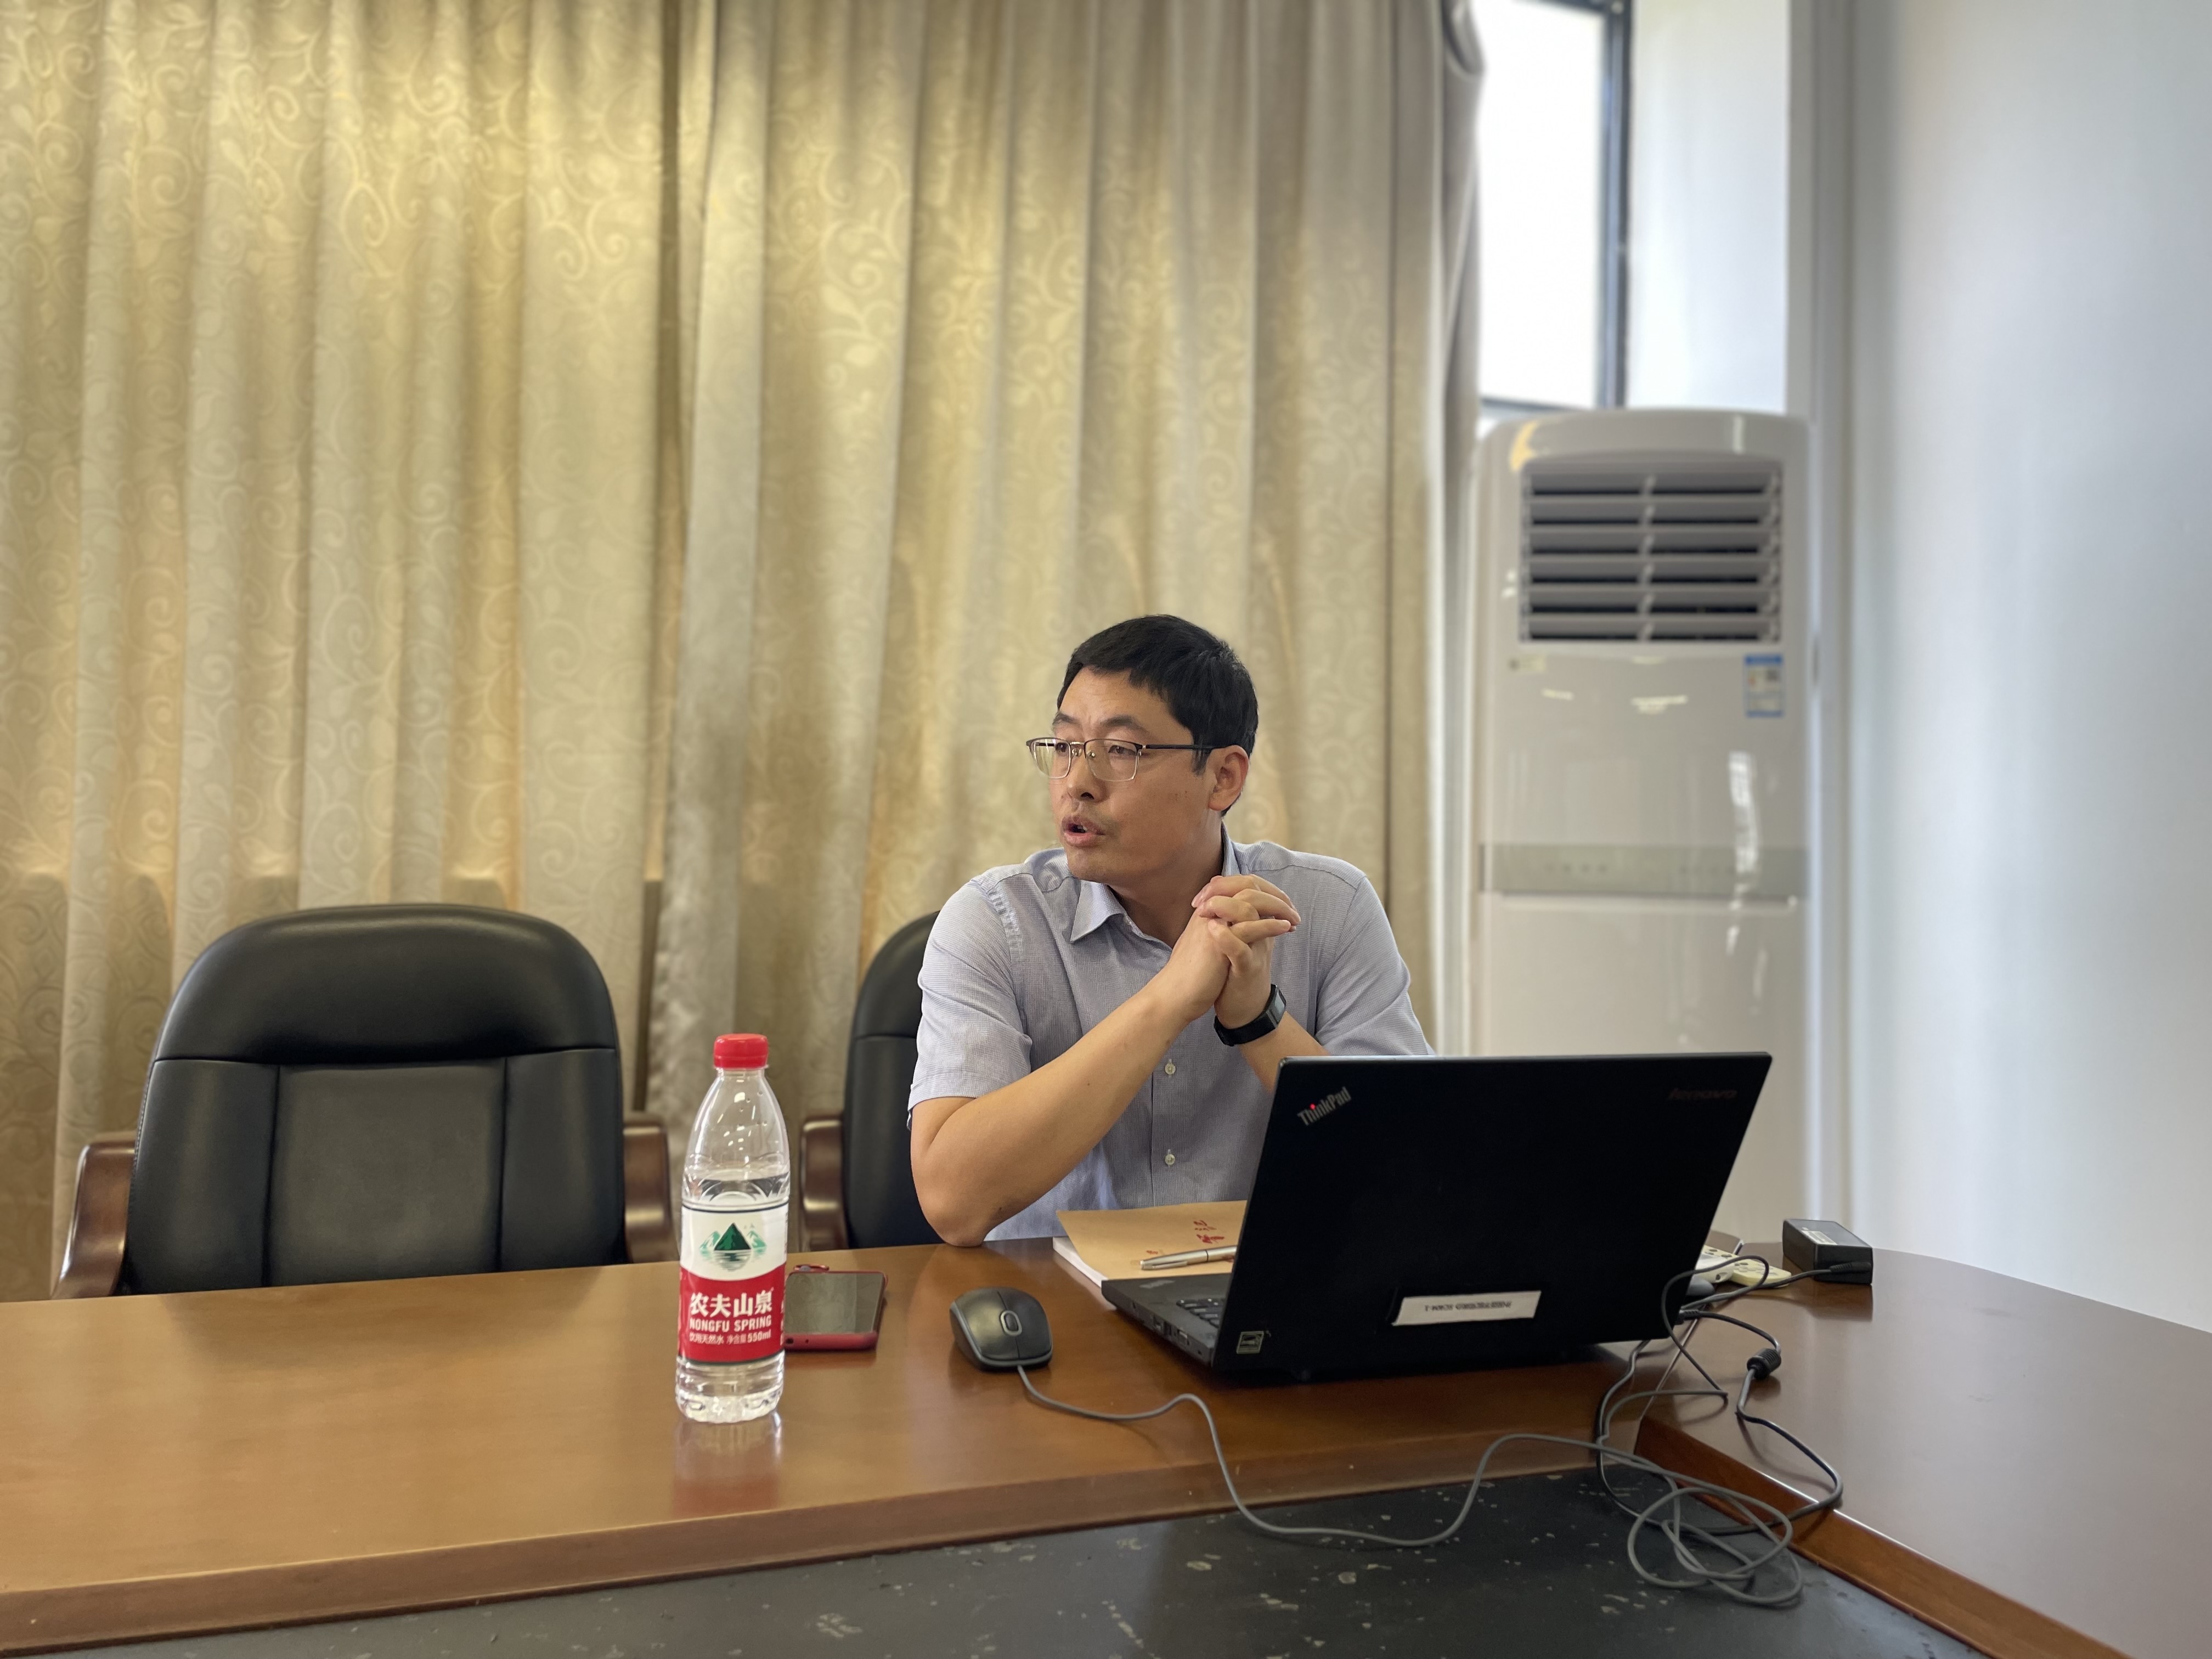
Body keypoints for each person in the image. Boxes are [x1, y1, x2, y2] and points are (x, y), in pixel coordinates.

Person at [908, 614, 1429, 1246]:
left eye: (1120, 752)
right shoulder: (996, 921)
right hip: (1050, 1298)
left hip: (1261, 1288)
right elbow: (953, 1203)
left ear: (1223, 777)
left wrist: (1259, 1021)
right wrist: (1166, 1001)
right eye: (1065, 747)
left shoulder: (1329, 908)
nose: (1078, 784)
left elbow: (1403, 1172)